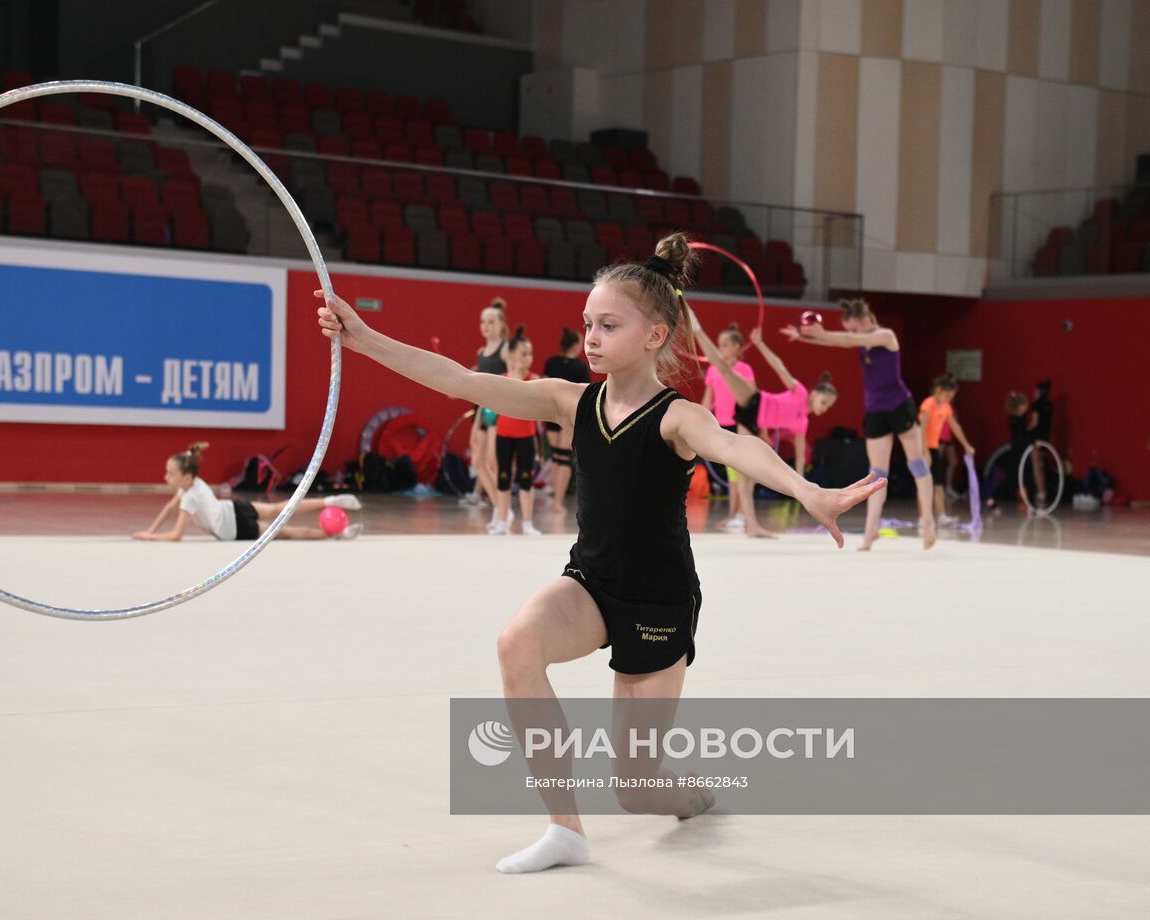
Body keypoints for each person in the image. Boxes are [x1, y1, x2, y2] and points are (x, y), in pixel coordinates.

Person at [314, 231, 884, 874]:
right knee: (516, 645)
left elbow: (736, 446)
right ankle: (565, 830)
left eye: (608, 326)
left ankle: (692, 797)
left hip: (658, 603)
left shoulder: (677, 417)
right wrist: (365, 339)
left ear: (655, 335)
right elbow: (462, 381)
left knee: (636, 789)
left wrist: (808, 491)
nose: (590, 337)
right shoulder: (570, 400)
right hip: (590, 583)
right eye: (587, 323)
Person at [782, 298, 936, 550]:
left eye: (853, 328)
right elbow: (842, 341)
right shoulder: (860, 339)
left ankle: (927, 519)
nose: (852, 333)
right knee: (877, 474)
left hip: (899, 406)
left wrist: (820, 334)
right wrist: (804, 336)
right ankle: (870, 531)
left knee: (916, 463)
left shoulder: (886, 335)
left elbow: (848, 339)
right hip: (876, 411)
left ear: (865, 319)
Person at [691, 320, 838, 536]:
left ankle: (751, 525)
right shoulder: (800, 392)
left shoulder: (802, 423)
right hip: (754, 402)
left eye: (828, 407)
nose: (823, 409)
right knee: (724, 369)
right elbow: (779, 366)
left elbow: (800, 456)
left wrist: (801, 487)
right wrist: (760, 344)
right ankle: (697, 330)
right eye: (824, 402)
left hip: (751, 423)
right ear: (815, 393)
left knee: (747, 473)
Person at [132, 442, 362, 542]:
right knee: (277, 508)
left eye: (170, 474)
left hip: (235, 528)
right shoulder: (194, 484)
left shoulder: (189, 497)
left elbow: (176, 536)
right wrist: (150, 529)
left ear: (186, 477)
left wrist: (150, 536)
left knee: (285, 532)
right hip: (233, 508)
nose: (166, 477)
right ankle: (329, 500)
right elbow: (168, 508)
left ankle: (333, 534)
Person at [700, 324, 755, 530]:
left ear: (737, 347)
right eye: (719, 345)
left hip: (742, 425)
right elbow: (707, 401)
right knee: (732, 475)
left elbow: (753, 399)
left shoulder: (744, 369)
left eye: (725, 345)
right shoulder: (713, 370)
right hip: (722, 426)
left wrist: (762, 430)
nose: (720, 348)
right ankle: (733, 515)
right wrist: (700, 424)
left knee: (743, 473)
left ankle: (742, 514)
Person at [490, 326, 543, 535]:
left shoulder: (534, 379)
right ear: (511, 354)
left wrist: (521, 375)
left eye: (530, 354)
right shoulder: (502, 379)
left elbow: (535, 405)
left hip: (526, 437)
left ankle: (527, 523)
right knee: (503, 478)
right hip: (503, 435)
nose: (528, 358)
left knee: (525, 480)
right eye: (523, 354)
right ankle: (502, 521)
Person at [461, 298, 509, 509]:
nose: (486, 326)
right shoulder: (481, 352)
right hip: (481, 409)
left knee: (494, 461)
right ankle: (498, 507)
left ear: (501, 325)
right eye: (483, 322)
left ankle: (502, 508)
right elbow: (476, 375)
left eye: (491, 322)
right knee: (478, 460)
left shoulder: (506, 350)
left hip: (499, 410)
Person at [542, 327, 591, 513]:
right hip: (568, 414)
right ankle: (557, 501)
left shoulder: (551, 362)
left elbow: (544, 387)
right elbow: (584, 394)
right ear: (576, 345)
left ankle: (556, 498)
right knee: (563, 459)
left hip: (549, 413)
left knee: (556, 457)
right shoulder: (580, 367)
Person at [918, 375, 976, 526]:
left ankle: (942, 516)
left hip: (934, 447)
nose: (949, 399)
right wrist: (924, 451)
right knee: (923, 483)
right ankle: (923, 517)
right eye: (947, 395)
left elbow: (955, 426)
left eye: (951, 397)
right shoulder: (928, 404)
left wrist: (966, 445)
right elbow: (921, 429)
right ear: (938, 390)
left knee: (938, 483)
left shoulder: (946, 407)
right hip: (922, 448)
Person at [1028, 379, 1054, 506]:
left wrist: (1025, 430)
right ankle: (1043, 491)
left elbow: (1035, 422)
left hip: (1036, 438)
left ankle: (1041, 491)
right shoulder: (1049, 405)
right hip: (1045, 438)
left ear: (1038, 391)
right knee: (1041, 466)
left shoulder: (1036, 405)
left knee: (1036, 466)